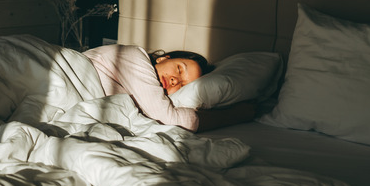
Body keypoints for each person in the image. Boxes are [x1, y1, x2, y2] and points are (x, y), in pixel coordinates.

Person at [83, 44, 254, 132]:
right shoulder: (135, 57)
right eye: (179, 69)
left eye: (183, 86)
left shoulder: (143, 98)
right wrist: (235, 115)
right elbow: (169, 119)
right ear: (163, 58)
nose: (174, 81)